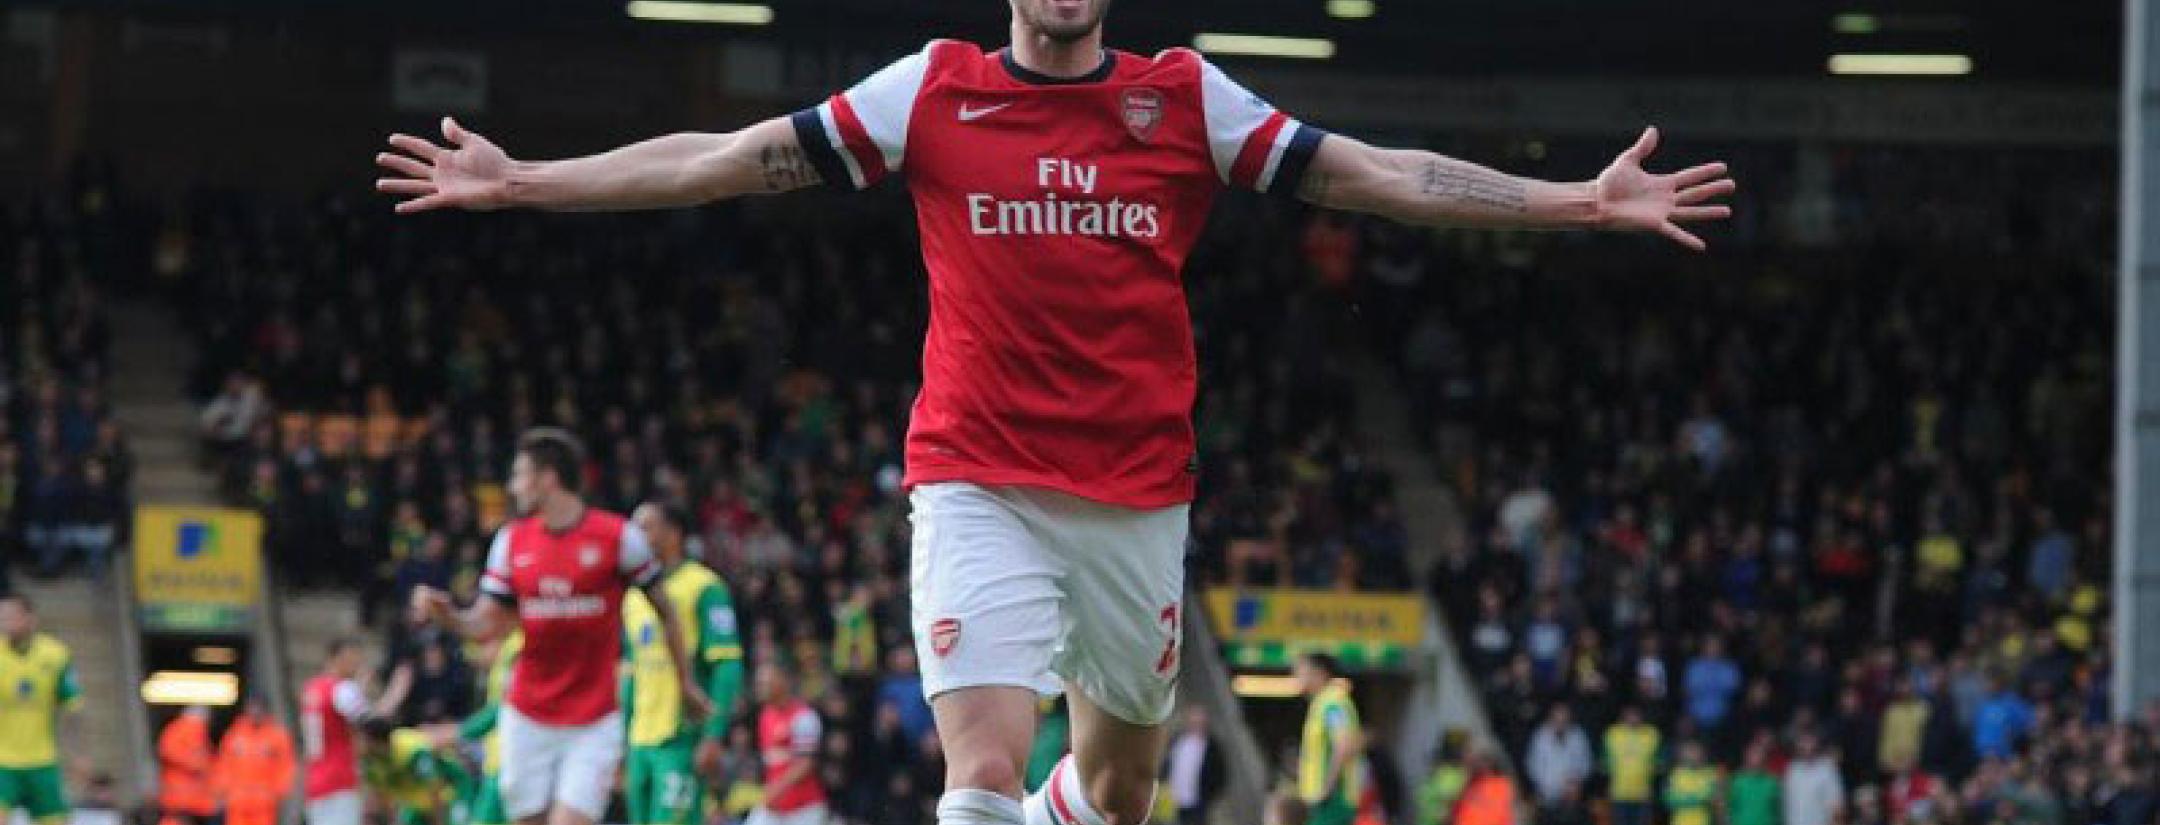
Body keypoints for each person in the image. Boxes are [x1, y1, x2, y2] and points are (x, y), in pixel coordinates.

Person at [373, 2, 1737, 822]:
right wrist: (529, 180)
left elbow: (1375, 174)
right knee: (980, 764)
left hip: (1137, 497)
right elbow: (726, 160)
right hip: (977, 479)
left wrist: (1574, 202)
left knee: (1119, 793)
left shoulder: (1184, 100)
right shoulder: (934, 89)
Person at [411, 428, 711, 825]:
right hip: (527, 718)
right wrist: (448, 614)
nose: (513, 487)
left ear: (547, 477)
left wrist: (685, 681)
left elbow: (666, 611)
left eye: (519, 475)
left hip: (593, 721)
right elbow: (486, 623)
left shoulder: (618, 538)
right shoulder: (511, 542)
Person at [621, 502, 747, 825]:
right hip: (639, 738)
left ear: (673, 533)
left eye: (646, 527)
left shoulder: (704, 586)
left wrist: (713, 735)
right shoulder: (632, 596)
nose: (636, 536)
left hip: (681, 735)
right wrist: (621, 738)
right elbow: (629, 671)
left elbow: (727, 665)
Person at [302, 637, 414, 825]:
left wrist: (359, 689)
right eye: (353, 659)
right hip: (339, 780)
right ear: (337, 658)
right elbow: (373, 725)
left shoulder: (312, 688)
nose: (357, 665)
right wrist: (396, 693)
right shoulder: (342, 689)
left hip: (315, 781)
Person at [0, 595, 81, 825]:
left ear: (30, 620)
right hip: (2, 762)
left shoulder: (56, 655)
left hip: (43, 761)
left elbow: (72, 708)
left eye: (10, 616)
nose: (3, 622)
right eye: (0, 617)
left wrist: (78, 755)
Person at [748, 662, 827, 825]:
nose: (760, 687)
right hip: (775, 807)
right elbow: (771, 761)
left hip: (804, 808)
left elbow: (806, 764)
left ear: (782, 681)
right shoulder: (765, 716)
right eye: (759, 683)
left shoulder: (804, 717)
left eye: (765, 682)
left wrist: (776, 789)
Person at [1294, 653, 1366, 825]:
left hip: (1332, 800)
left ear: (1319, 673)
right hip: (1321, 800)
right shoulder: (1322, 702)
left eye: (1301, 671)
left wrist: (1326, 790)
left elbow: (1344, 745)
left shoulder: (1333, 702)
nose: (1297, 676)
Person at [459, 631, 523, 825]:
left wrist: (460, 732)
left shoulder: (515, 648)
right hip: (500, 760)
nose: (478, 659)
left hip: (506, 760)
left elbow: (507, 705)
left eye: (479, 648)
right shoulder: (504, 657)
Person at [357, 719, 472, 825]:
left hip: (452, 789)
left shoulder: (412, 752)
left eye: (362, 739)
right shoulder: (369, 762)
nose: (357, 744)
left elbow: (435, 788)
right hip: (418, 801)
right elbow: (381, 797)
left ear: (374, 742)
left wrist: (439, 822)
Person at [216, 694, 297, 825]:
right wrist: (224, 790)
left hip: (264, 804)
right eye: (252, 709)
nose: (255, 713)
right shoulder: (235, 734)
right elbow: (223, 764)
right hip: (238, 803)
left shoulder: (276, 736)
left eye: (258, 709)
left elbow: (286, 766)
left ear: (265, 711)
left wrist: (278, 792)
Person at [1162, 708, 1224, 825]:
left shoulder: (1212, 747)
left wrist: (1209, 795)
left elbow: (1219, 774)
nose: (1195, 725)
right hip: (1172, 799)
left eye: (1198, 722)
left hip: (1198, 802)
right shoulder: (1177, 741)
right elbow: (1166, 764)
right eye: (1192, 721)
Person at [157, 706, 217, 825]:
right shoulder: (180, 729)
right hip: (182, 798)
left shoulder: (195, 731)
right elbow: (167, 750)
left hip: (193, 799)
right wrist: (195, 763)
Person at [1604, 704, 1661, 825]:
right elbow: (1604, 761)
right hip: (1619, 793)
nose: (1633, 718)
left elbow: (1659, 761)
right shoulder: (1612, 734)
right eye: (1630, 715)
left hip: (1643, 793)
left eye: (1636, 715)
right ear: (1623, 716)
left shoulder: (1652, 734)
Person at [1525, 704, 1591, 806]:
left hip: (1572, 794)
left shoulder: (1578, 736)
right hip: (1547, 794)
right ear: (1551, 718)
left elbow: (1586, 762)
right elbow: (1533, 765)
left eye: (1564, 719)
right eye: (1557, 719)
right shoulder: (1540, 737)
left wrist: (1577, 780)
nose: (1561, 723)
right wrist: (1545, 786)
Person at [1662, 740, 1718, 825]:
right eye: (1690, 752)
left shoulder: (1711, 773)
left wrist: (1685, 798)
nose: (1693, 756)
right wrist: (1695, 799)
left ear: (1703, 754)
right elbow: (1668, 800)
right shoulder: (1675, 774)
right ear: (1684, 755)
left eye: (1696, 752)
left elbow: (1714, 797)